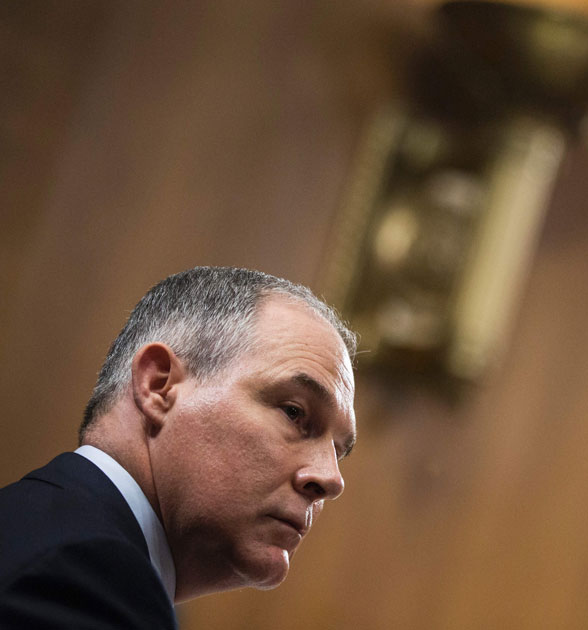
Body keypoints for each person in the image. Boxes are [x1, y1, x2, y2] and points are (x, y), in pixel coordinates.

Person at [0, 266, 358, 628]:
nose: (331, 479)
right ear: (158, 387)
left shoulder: (69, 544)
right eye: (294, 412)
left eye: (338, 451)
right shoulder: (76, 571)